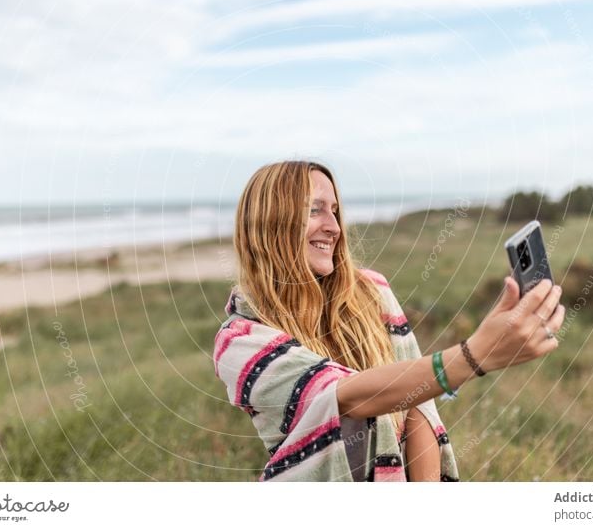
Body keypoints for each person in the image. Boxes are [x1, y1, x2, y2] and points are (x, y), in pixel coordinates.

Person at [213, 160, 564, 482]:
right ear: (269, 222)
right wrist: (473, 356)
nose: (334, 227)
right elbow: (346, 399)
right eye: (315, 210)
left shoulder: (371, 292)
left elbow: (416, 400)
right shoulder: (240, 340)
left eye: (335, 211)